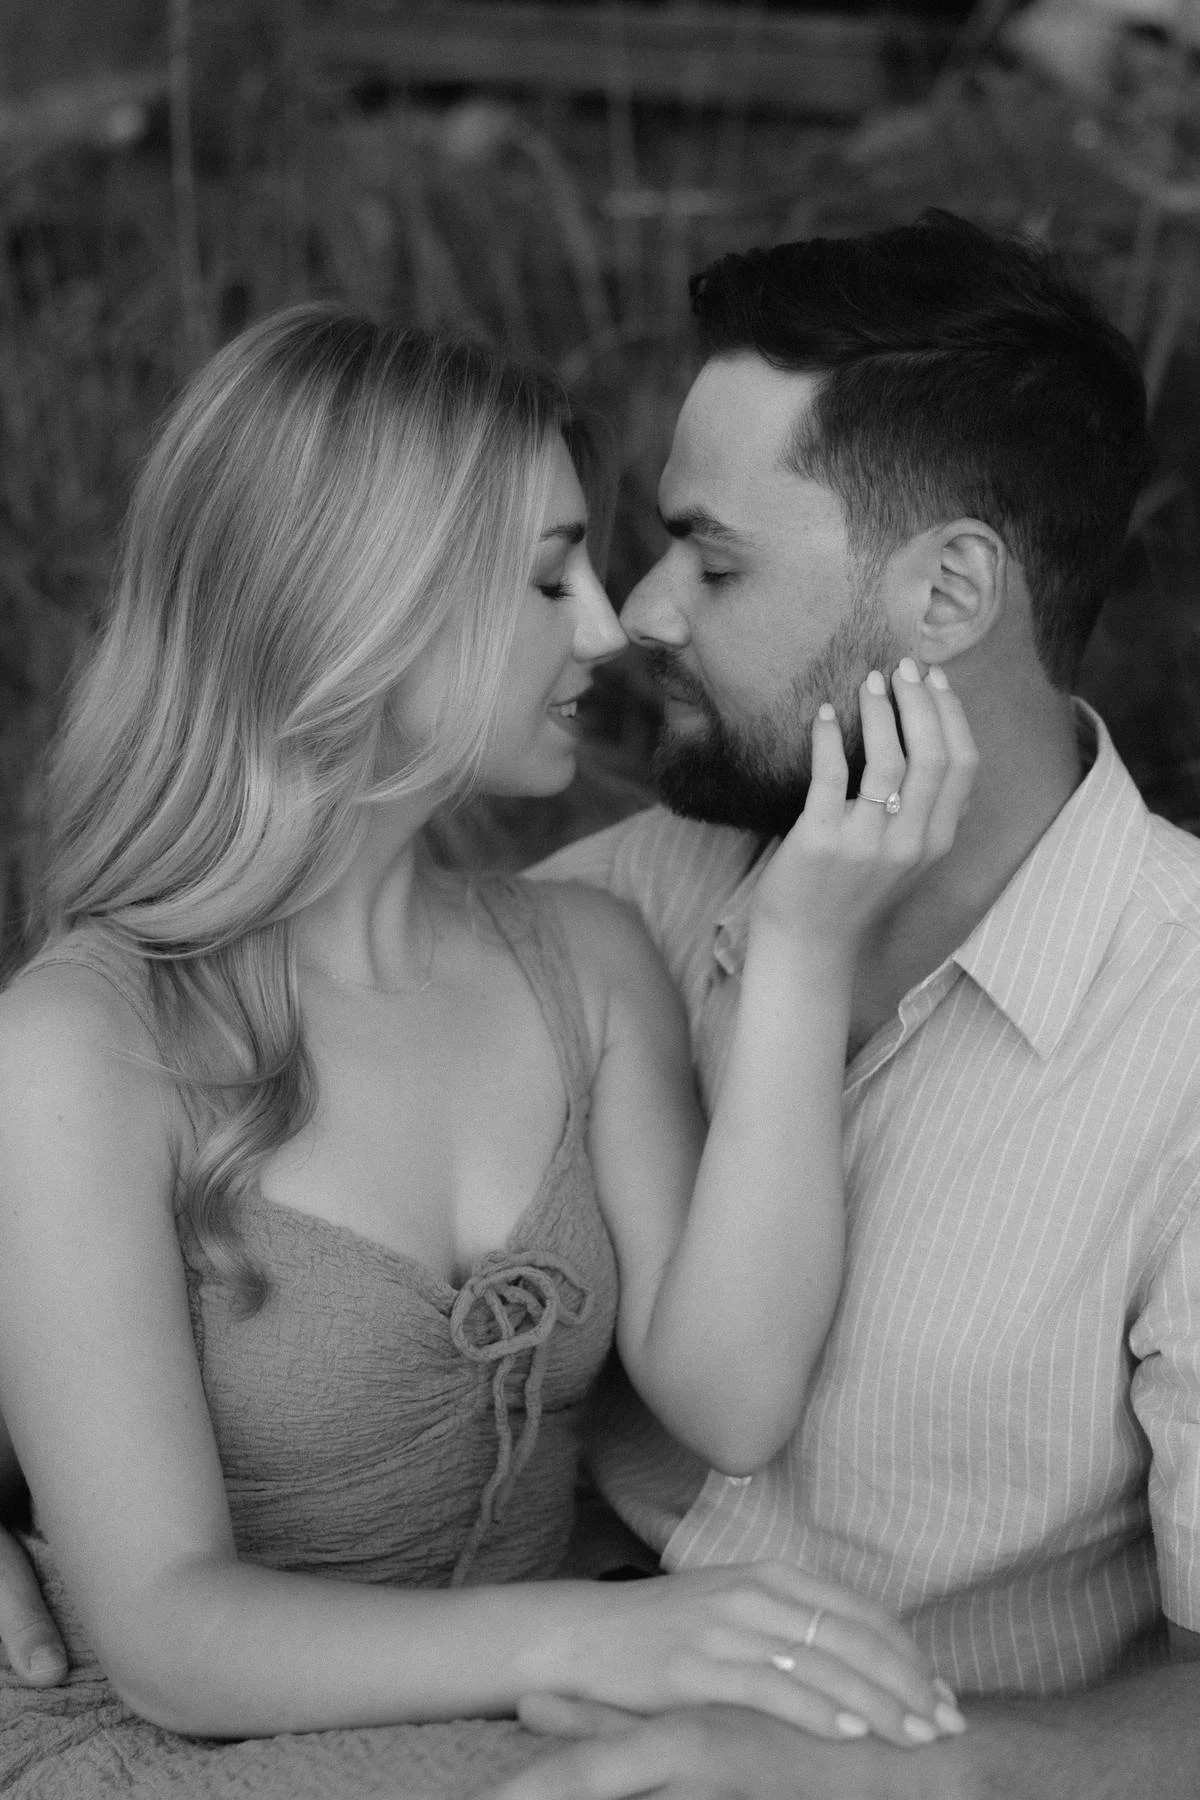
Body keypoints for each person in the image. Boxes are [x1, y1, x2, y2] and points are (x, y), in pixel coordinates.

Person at [0, 305, 972, 1796]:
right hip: (168, 1747)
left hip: (510, 1728)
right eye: (544, 578)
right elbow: (167, 1635)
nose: (605, 629)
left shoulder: (582, 958)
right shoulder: (86, 1042)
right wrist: (592, 1644)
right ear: (355, 605)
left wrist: (799, 952)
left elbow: (733, 1396)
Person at [481, 210, 1200, 1799]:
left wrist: (879, 1774)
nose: (646, 612)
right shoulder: (628, 901)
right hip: (477, 1718)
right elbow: (208, 1123)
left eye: (715, 558)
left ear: (949, 595)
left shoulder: (1186, 1032)